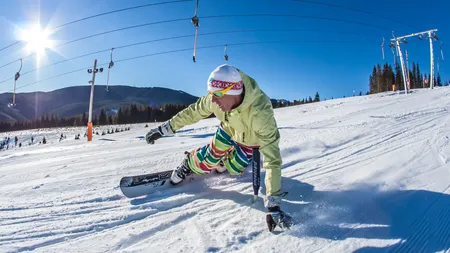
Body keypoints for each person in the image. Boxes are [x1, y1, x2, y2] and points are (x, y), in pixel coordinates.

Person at [145, 64, 292, 231]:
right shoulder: (216, 99)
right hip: (229, 128)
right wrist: (165, 128)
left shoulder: (260, 113)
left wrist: (273, 205)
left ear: (234, 91)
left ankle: (225, 162)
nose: (213, 101)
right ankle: (189, 162)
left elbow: (272, 159)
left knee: (233, 168)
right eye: (211, 94)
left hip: (251, 140)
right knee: (209, 159)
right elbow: (193, 112)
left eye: (217, 95)